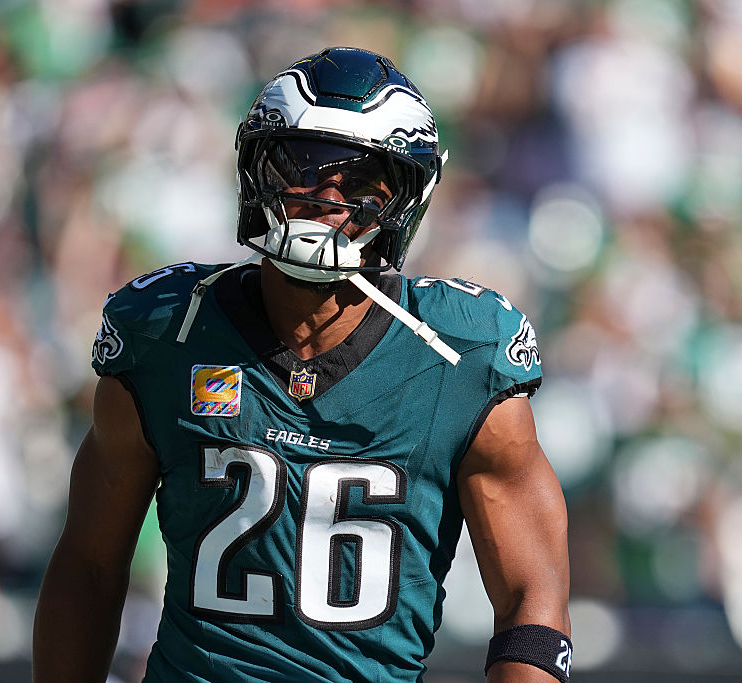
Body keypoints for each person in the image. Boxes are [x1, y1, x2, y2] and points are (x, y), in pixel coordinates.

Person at [33, 47, 571, 682]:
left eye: (361, 179)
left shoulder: (459, 357)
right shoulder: (169, 331)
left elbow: (532, 601)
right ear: (257, 169)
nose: (326, 196)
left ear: (404, 196)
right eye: (303, 165)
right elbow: (89, 565)